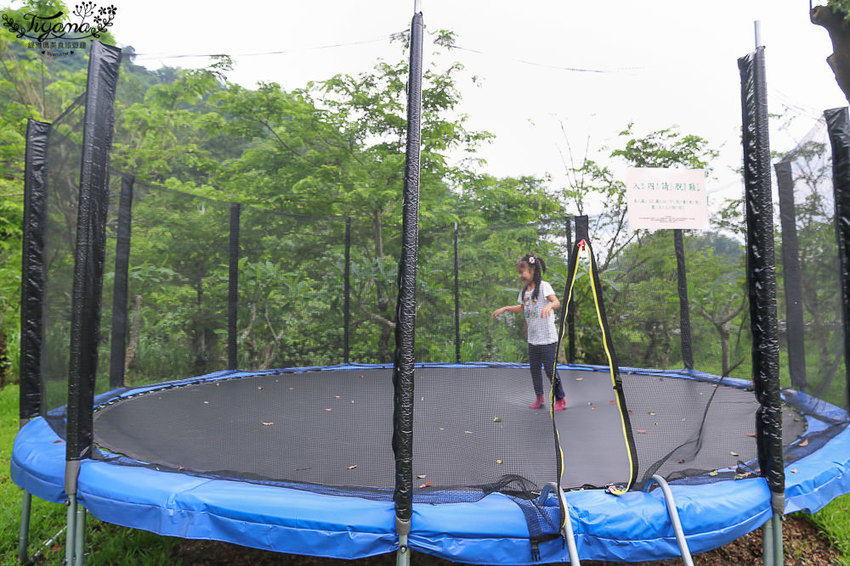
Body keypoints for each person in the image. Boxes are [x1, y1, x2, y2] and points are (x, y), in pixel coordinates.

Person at [492, 253, 567, 411]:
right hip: (533, 338)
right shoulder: (524, 291)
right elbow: (522, 308)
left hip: (547, 338)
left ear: (532, 270)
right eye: (519, 272)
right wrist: (505, 308)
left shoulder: (544, 286)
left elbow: (556, 302)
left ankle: (560, 398)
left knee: (549, 369)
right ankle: (539, 397)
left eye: (522, 272)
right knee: (534, 370)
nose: (520, 276)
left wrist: (549, 306)